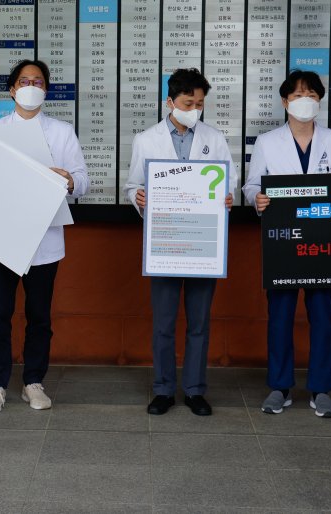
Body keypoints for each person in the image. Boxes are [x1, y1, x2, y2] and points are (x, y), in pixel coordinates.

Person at [0, 59, 89, 414]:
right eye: (24, 81)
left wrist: (69, 179)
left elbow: (83, 179)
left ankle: (33, 382)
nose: (31, 86)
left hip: (44, 241)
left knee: (39, 316)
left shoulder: (61, 132)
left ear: (46, 90)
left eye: (38, 81)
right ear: (11, 89)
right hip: (2, 238)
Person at [243, 69, 331, 418]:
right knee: (280, 316)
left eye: (310, 94)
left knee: (323, 316)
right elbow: (251, 186)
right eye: (296, 95)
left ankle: (321, 389)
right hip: (284, 243)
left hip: (323, 243)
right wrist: (257, 200)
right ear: (284, 101)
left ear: (319, 101)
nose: (303, 101)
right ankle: (280, 386)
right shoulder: (267, 142)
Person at [123, 68, 236, 416]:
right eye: (189, 102)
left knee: (199, 322)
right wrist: (138, 197)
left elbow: (228, 183)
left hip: (203, 245)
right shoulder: (146, 139)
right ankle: (163, 390)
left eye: (200, 103)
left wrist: (228, 197)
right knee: (164, 322)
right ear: (170, 101)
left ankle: (195, 390)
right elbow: (132, 185)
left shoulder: (214, 138)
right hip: (166, 243)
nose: (195, 109)